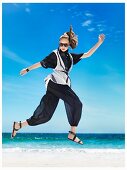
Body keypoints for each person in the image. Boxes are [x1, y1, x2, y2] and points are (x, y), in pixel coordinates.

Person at [11, 26, 105, 144]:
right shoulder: (54, 55)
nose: (63, 47)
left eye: (65, 45)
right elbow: (41, 63)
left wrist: (99, 42)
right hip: (55, 84)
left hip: (61, 85)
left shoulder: (71, 57)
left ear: (69, 45)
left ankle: (19, 125)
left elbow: (88, 54)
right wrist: (27, 69)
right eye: (61, 44)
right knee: (77, 103)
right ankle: (72, 134)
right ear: (59, 43)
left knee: (46, 116)